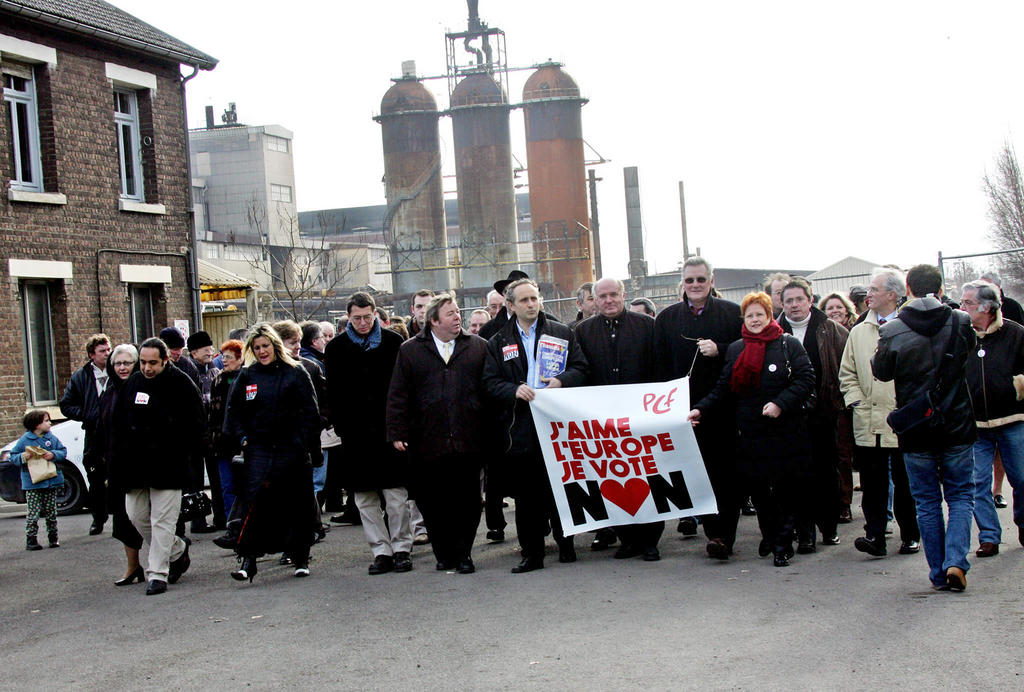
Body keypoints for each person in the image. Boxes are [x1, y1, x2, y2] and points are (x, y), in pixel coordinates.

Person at [688, 291, 815, 567]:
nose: (755, 320)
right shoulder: (737, 348)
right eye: (750, 315)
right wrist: (701, 408)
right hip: (749, 432)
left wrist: (780, 404)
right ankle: (771, 536)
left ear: (769, 316)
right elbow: (724, 388)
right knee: (760, 492)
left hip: (784, 431)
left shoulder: (787, 344)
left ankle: (782, 545)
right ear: (743, 319)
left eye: (760, 314)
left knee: (782, 490)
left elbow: (806, 379)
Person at [873, 263, 977, 591]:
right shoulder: (960, 321)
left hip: (917, 427)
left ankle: (937, 572)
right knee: (960, 495)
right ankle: (955, 562)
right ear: (941, 288)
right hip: (957, 423)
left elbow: (882, 372)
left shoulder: (892, 329)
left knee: (927, 501)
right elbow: (969, 354)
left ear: (908, 289)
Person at [482, 278, 589, 573]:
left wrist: (561, 380)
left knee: (559, 488)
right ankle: (532, 553)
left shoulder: (561, 332)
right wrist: (513, 390)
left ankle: (566, 543)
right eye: (524, 300)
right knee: (527, 495)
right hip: (521, 427)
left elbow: (581, 368)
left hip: (556, 423)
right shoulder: (499, 341)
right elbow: (490, 382)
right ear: (511, 305)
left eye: (534, 299)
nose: (531, 304)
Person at [387, 293, 490, 573]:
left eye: (458, 312)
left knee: (467, 501)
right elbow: (398, 394)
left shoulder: (478, 347)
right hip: (426, 441)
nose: (458, 317)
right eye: (450, 314)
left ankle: (465, 553)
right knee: (432, 501)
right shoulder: (410, 350)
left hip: (468, 439)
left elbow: (488, 391)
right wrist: (397, 431)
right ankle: (443, 552)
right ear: (433, 321)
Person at [654, 256, 743, 557]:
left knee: (725, 475)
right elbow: (660, 367)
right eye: (689, 280)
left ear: (712, 281)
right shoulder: (667, 319)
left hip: (723, 408)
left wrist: (722, 350)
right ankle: (711, 530)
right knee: (696, 474)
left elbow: (748, 351)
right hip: (683, 411)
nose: (695, 285)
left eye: (701, 280)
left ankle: (724, 536)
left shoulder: (733, 314)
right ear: (682, 282)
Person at [222, 324, 320, 582]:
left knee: (295, 504)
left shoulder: (296, 372)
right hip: (258, 450)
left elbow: (310, 412)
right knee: (255, 505)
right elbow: (233, 414)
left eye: (265, 346)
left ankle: (300, 557)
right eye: (257, 347)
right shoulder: (247, 376)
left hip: (292, 450)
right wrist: (243, 439)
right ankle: (248, 559)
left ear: (274, 345)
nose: (262, 351)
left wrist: (306, 443)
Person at [575, 277, 663, 561]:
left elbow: (660, 368)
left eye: (614, 294)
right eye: (602, 296)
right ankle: (627, 538)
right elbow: (580, 372)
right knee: (611, 477)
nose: (609, 300)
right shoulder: (582, 331)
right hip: (603, 421)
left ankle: (650, 540)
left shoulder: (648, 326)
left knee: (647, 478)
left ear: (623, 295)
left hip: (642, 417)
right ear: (595, 299)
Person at [324, 292, 412, 575]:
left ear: (376, 314)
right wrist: (341, 425)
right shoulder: (336, 348)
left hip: (388, 429)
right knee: (364, 497)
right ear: (348, 317)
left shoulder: (392, 342)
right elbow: (334, 391)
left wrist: (400, 425)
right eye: (356, 318)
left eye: (367, 317)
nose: (362, 323)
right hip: (355, 433)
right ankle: (381, 551)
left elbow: (402, 388)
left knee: (396, 494)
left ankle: (401, 547)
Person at [109, 337, 204, 595]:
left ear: (165, 360)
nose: (147, 367)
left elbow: (196, 425)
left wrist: (186, 459)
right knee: (137, 516)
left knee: (162, 520)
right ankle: (177, 549)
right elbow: (117, 425)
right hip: (135, 466)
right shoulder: (133, 384)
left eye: (153, 362)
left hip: (169, 465)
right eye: (143, 362)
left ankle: (157, 573)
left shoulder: (181, 383)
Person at [839, 268, 920, 558]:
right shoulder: (859, 331)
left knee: (906, 482)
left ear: (893, 295)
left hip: (902, 420)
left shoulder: (910, 328)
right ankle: (875, 535)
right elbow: (847, 373)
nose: (867, 295)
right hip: (868, 419)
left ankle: (910, 534)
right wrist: (856, 401)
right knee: (873, 485)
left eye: (874, 290)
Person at [778, 278, 847, 552]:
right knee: (797, 475)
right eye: (789, 301)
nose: (794, 305)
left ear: (810, 300)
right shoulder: (775, 331)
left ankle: (828, 526)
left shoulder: (831, 330)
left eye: (799, 299)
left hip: (824, 412)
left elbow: (845, 367)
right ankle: (804, 532)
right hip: (788, 416)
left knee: (826, 471)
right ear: (782, 305)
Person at [960, 280, 1024, 556]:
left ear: (986, 307)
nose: (962, 307)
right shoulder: (961, 335)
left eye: (968, 303)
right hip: (975, 426)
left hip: (1013, 419)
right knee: (976, 482)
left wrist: (1014, 386)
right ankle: (989, 536)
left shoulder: (1016, 333)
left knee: (1021, 479)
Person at [95, 344, 147, 584]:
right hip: (117, 464)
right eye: (118, 363)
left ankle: (169, 560)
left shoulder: (144, 387)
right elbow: (101, 426)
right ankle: (133, 566)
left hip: (144, 462)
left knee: (149, 516)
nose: (122, 367)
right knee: (123, 519)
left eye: (127, 362)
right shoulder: (110, 391)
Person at [59, 333, 111, 536]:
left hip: (116, 432)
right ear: (92, 355)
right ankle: (98, 518)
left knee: (119, 476)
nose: (107, 354)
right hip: (94, 433)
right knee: (95, 477)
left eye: (108, 349)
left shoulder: (119, 370)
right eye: (102, 351)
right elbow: (66, 405)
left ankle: (122, 517)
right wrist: (87, 416)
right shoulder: (81, 377)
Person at [10, 410, 66, 551]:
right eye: (46, 421)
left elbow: (63, 451)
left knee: (51, 511)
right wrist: (24, 456)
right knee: (33, 512)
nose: (50, 423)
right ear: (36, 425)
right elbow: (13, 456)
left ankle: (53, 537)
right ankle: (31, 539)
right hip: (33, 483)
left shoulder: (51, 438)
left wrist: (53, 454)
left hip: (50, 480)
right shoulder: (25, 440)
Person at [185, 330, 224, 533]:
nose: (210, 352)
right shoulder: (189, 373)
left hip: (212, 433)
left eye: (210, 348)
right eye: (205, 349)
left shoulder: (214, 371)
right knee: (196, 480)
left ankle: (220, 516)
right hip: (195, 434)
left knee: (216, 478)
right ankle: (198, 520)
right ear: (193, 352)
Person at [209, 339, 245, 550]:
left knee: (245, 486)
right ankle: (233, 528)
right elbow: (213, 413)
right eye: (223, 357)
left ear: (240, 359)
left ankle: (246, 527)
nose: (224, 361)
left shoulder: (247, 377)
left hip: (241, 442)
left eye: (229, 357)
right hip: (223, 442)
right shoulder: (218, 380)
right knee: (227, 487)